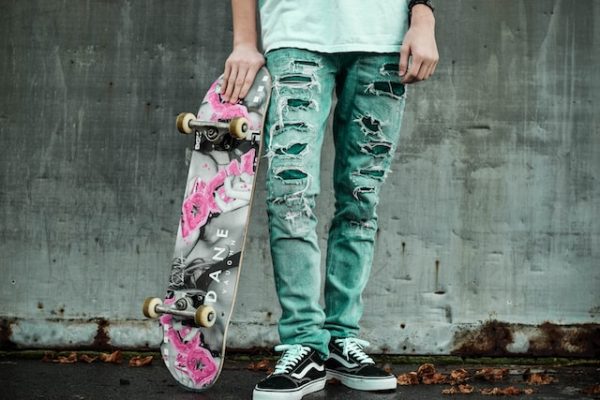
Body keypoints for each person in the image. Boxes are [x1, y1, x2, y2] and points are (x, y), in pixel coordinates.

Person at [222, 1, 438, 399]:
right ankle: (303, 342)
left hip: (384, 40)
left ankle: (340, 339)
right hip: (296, 33)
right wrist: (245, 41)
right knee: (291, 194)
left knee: (361, 199)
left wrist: (423, 17)